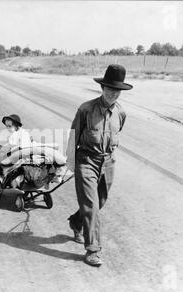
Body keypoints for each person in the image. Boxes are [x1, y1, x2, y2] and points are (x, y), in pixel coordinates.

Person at [65, 64, 133, 267]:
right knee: (92, 205)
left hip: (108, 162)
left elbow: (117, 133)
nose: (113, 94)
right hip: (86, 160)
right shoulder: (86, 109)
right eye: (110, 89)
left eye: (117, 90)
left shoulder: (121, 113)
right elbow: (73, 136)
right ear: (102, 88)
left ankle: (76, 222)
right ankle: (92, 250)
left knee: (100, 201)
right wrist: (70, 161)